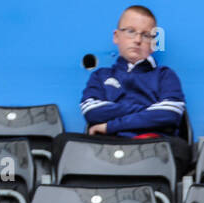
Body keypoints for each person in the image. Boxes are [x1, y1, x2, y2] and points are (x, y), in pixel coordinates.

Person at [78, 5, 189, 166]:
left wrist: (110, 126)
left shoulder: (165, 75)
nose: (137, 40)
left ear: (153, 42)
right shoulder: (101, 75)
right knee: (64, 144)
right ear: (116, 36)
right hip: (107, 147)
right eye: (130, 31)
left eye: (145, 35)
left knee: (180, 148)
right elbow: (92, 112)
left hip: (154, 147)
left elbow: (169, 114)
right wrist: (147, 109)